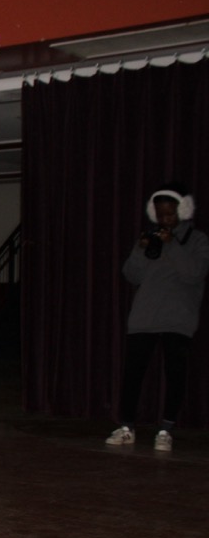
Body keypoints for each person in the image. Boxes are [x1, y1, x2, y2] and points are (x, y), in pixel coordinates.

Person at [105, 186, 209, 452]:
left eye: (169, 215)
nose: (164, 221)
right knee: (132, 375)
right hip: (144, 317)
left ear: (181, 211)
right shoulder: (149, 239)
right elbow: (131, 275)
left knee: (175, 375)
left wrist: (171, 245)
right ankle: (127, 427)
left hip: (178, 320)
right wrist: (141, 249)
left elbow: (195, 273)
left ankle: (166, 430)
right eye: (160, 215)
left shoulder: (197, 240)